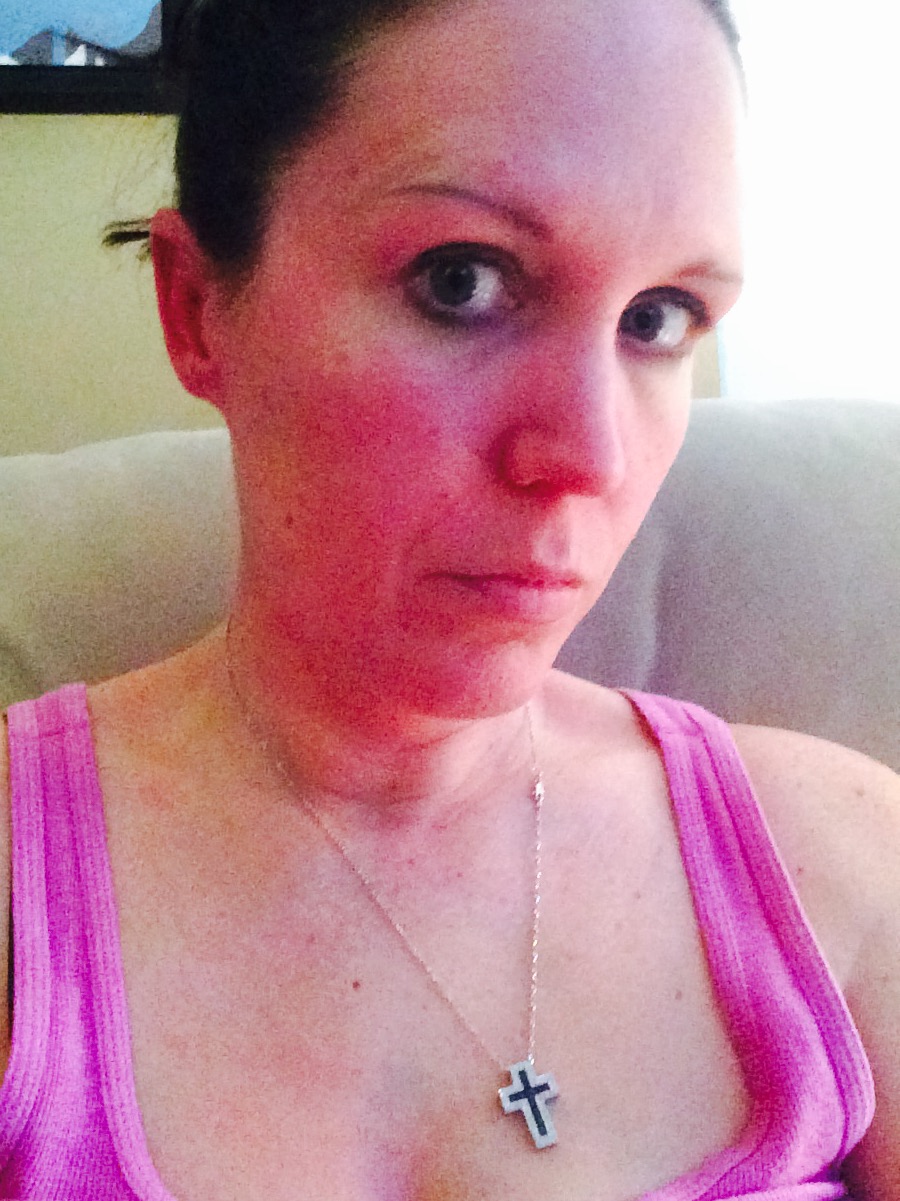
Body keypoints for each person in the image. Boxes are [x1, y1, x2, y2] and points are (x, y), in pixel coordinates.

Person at [0, 0, 898, 1196]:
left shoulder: (843, 871)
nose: (588, 455)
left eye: (658, 318)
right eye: (461, 280)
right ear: (199, 307)